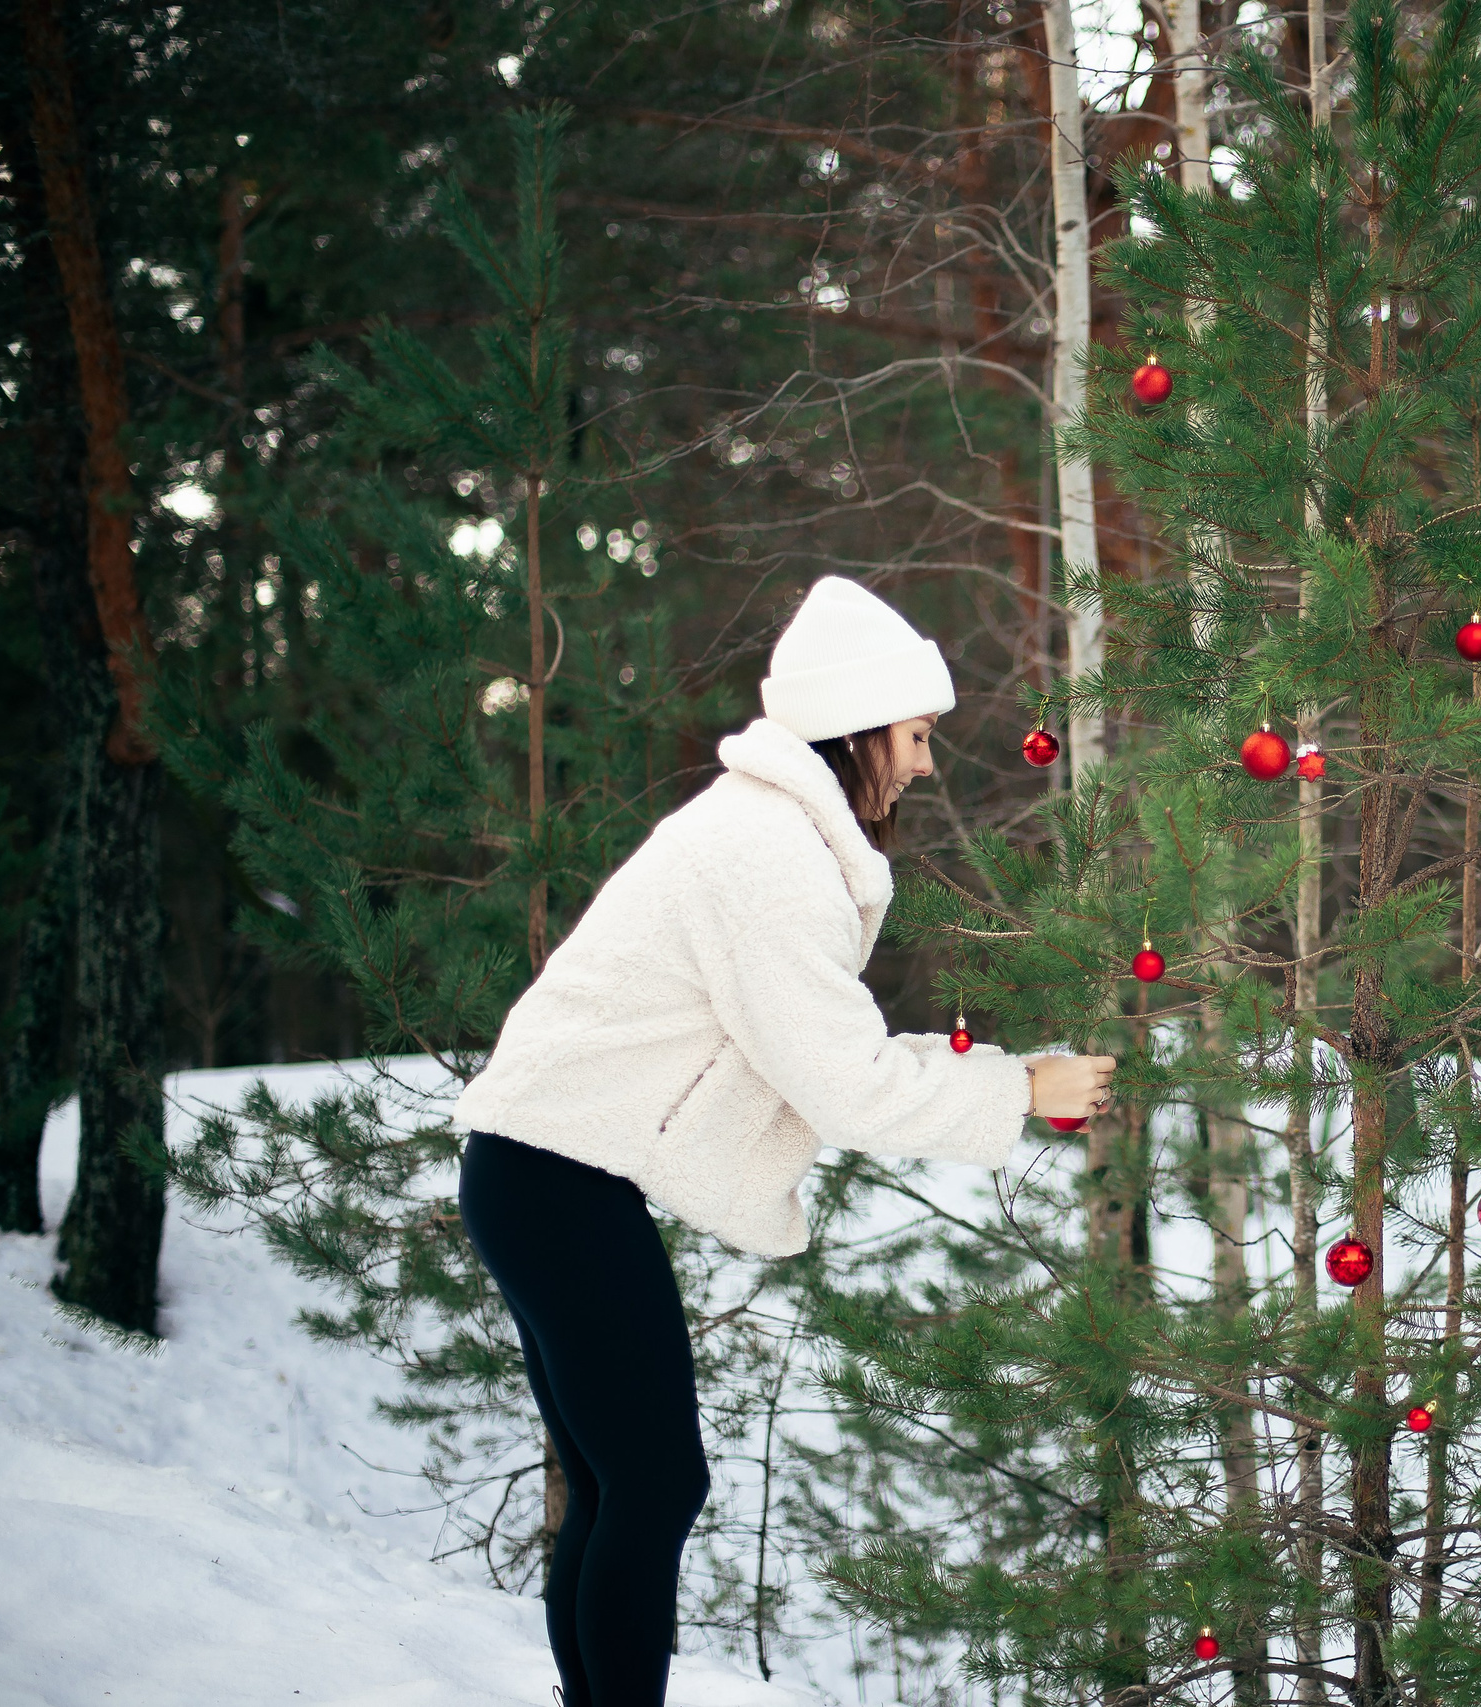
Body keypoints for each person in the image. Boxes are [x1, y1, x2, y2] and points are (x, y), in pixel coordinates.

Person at [453, 576, 1116, 1707]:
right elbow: (846, 1083)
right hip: (550, 1178)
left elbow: (808, 1043)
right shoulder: (766, 855)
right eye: (912, 735)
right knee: (653, 1486)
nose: (921, 763)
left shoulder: (769, 835)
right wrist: (1016, 1087)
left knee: (625, 1488)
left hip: (540, 1173)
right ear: (852, 728)